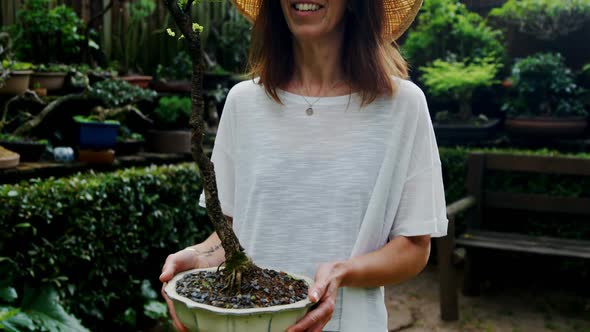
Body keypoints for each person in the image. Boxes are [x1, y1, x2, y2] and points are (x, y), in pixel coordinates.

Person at [160, 0, 448, 331]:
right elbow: (230, 232)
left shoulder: (402, 107)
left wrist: (343, 272)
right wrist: (198, 257)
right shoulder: (243, 104)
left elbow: (413, 248)